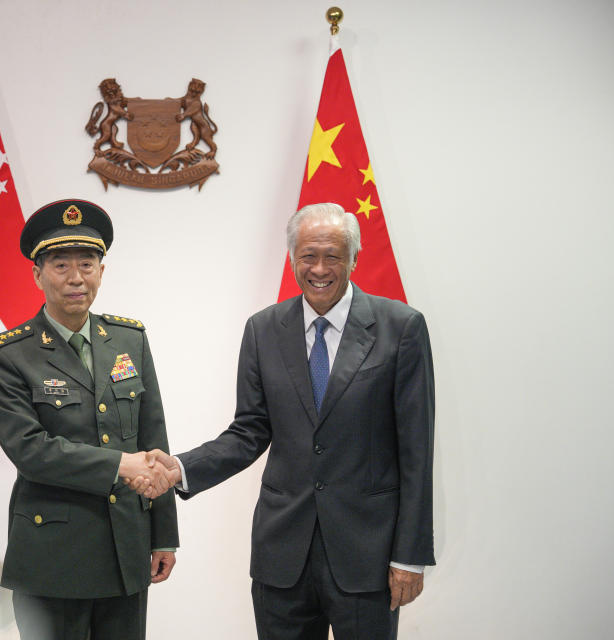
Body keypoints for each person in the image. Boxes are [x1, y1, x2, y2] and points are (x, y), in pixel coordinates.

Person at [143, 202, 435, 639]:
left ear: (354, 258)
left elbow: (417, 450)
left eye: (332, 256)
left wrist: (409, 556)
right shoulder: (263, 329)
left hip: (368, 556)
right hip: (282, 555)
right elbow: (249, 431)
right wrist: (181, 468)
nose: (319, 268)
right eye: (308, 256)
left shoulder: (402, 327)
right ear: (292, 258)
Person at [0, 199, 178, 640]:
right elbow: (30, 451)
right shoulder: (8, 354)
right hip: (54, 559)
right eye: (60, 265)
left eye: (87, 264)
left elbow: (153, 437)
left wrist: (163, 533)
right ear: (37, 274)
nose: (75, 278)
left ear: (101, 271)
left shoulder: (129, 339)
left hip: (126, 550)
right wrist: (118, 466)